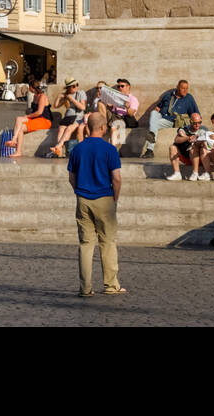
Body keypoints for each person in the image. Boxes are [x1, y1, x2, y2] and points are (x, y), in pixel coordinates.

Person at [67, 111, 125, 295]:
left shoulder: (77, 148)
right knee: (107, 242)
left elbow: (71, 176)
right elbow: (116, 179)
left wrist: (79, 192)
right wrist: (115, 198)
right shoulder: (110, 149)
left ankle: (85, 288)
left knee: (86, 244)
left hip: (83, 198)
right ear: (102, 127)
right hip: (104, 198)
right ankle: (111, 285)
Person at [141, 80, 200, 158]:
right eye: (183, 88)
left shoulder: (189, 98)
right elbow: (158, 108)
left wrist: (195, 125)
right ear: (177, 87)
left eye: (187, 88)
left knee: (154, 125)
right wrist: (155, 116)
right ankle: (151, 135)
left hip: (174, 121)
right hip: (162, 117)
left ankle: (149, 150)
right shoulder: (168, 95)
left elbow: (196, 114)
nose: (185, 90)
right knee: (153, 113)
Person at [3, 81, 52, 156]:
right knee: (19, 119)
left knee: (21, 127)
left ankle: (15, 145)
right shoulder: (35, 96)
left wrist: (27, 116)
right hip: (36, 119)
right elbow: (34, 110)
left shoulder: (42, 97)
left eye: (29, 87)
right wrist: (29, 111)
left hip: (44, 120)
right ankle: (15, 143)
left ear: (32, 88)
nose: (29, 89)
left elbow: (39, 112)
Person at [49, 79, 88, 158]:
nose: (76, 87)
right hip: (67, 118)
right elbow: (56, 106)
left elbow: (83, 107)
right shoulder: (66, 95)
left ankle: (58, 146)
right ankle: (60, 152)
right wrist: (58, 97)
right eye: (73, 86)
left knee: (69, 129)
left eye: (76, 85)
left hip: (78, 117)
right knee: (61, 130)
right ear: (68, 87)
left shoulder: (80, 93)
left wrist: (72, 99)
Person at [166, 112, 208, 180]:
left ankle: (195, 173)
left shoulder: (204, 129)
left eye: (199, 122)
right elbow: (176, 139)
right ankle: (177, 174)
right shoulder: (185, 129)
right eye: (195, 123)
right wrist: (188, 137)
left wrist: (196, 140)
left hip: (198, 157)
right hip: (186, 156)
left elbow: (207, 143)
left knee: (193, 148)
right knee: (172, 147)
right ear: (190, 122)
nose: (197, 125)